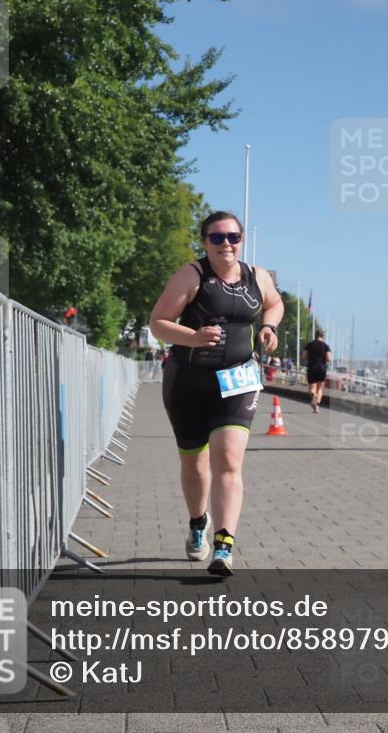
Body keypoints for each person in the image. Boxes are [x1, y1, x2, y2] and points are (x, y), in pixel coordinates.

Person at [149, 211, 283, 577]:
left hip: (238, 380)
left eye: (233, 237)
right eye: (217, 238)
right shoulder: (191, 277)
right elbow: (158, 321)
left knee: (228, 460)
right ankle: (197, 522)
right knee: (194, 462)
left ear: (242, 240)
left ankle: (224, 547)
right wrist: (192, 338)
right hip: (189, 382)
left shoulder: (259, 277)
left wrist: (268, 327)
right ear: (204, 241)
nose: (226, 244)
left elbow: (275, 303)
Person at [302, 330, 331, 413]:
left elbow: (304, 356)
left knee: (312, 388)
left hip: (312, 367)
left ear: (315, 335)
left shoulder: (310, 345)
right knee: (320, 389)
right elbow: (328, 358)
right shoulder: (326, 346)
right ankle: (317, 406)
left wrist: (309, 358)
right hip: (322, 368)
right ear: (323, 336)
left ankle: (313, 395)